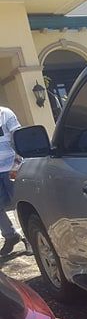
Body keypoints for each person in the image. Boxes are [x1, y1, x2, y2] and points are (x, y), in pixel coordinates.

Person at [0, 106, 23, 256]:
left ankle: (29, 240)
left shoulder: (5, 114)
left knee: (19, 203)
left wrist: (18, 162)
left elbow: (19, 138)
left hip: (11, 167)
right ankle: (10, 235)